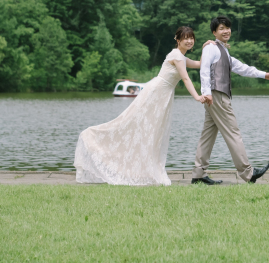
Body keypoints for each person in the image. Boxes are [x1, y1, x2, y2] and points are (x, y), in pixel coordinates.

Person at [73, 26, 208, 186]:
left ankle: (145, 170)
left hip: (163, 97)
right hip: (155, 94)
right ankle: (93, 139)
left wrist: (208, 47)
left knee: (153, 133)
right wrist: (197, 97)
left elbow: (200, 64)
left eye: (191, 38)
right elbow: (185, 79)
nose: (189, 41)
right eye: (185, 38)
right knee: (135, 126)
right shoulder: (177, 56)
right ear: (177, 40)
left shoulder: (181, 57)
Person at [191, 16, 269, 185]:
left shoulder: (224, 51)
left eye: (228, 28)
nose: (226, 31)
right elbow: (204, 70)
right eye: (222, 28)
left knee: (207, 135)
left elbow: (241, 68)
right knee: (233, 133)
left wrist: (263, 74)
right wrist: (206, 92)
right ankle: (248, 172)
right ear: (214, 32)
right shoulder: (211, 48)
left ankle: (199, 174)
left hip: (215, 97)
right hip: (217, 96)